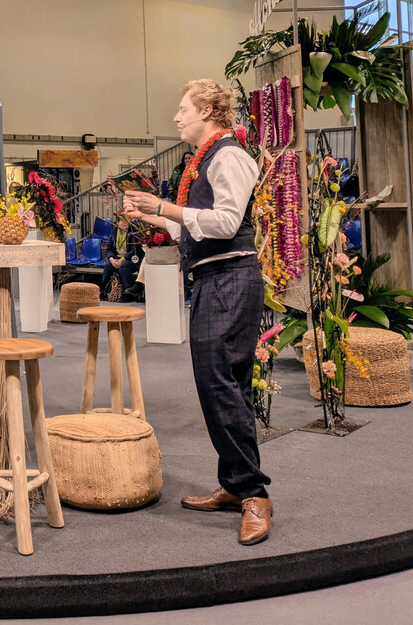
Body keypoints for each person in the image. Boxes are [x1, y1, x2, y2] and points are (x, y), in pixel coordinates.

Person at [124, 79, 272, 546]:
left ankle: (253, 494)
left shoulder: (228, 156)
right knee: (228, 384)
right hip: (217, 278)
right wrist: (156, 216)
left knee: (218, 383)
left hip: (230, 278)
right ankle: (234, 485)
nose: (176, 117)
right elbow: (199, 223)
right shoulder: (209, 158)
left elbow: (227, 221)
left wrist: (167, 206)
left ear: (208, 110)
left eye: (182, 108)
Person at [100, 215, 144, 302]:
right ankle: (103, 291)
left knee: (124, 267)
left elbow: (135, 250)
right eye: (123, 221)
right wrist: (112, 259)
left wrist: (122, 259)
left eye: (127, 221)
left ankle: (128, 294)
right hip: (116, 258)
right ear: (117, 222)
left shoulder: (133, 231)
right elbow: (109, 248)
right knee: (108, 267)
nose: (125, 223)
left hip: (131, 259)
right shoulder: (114, 231)